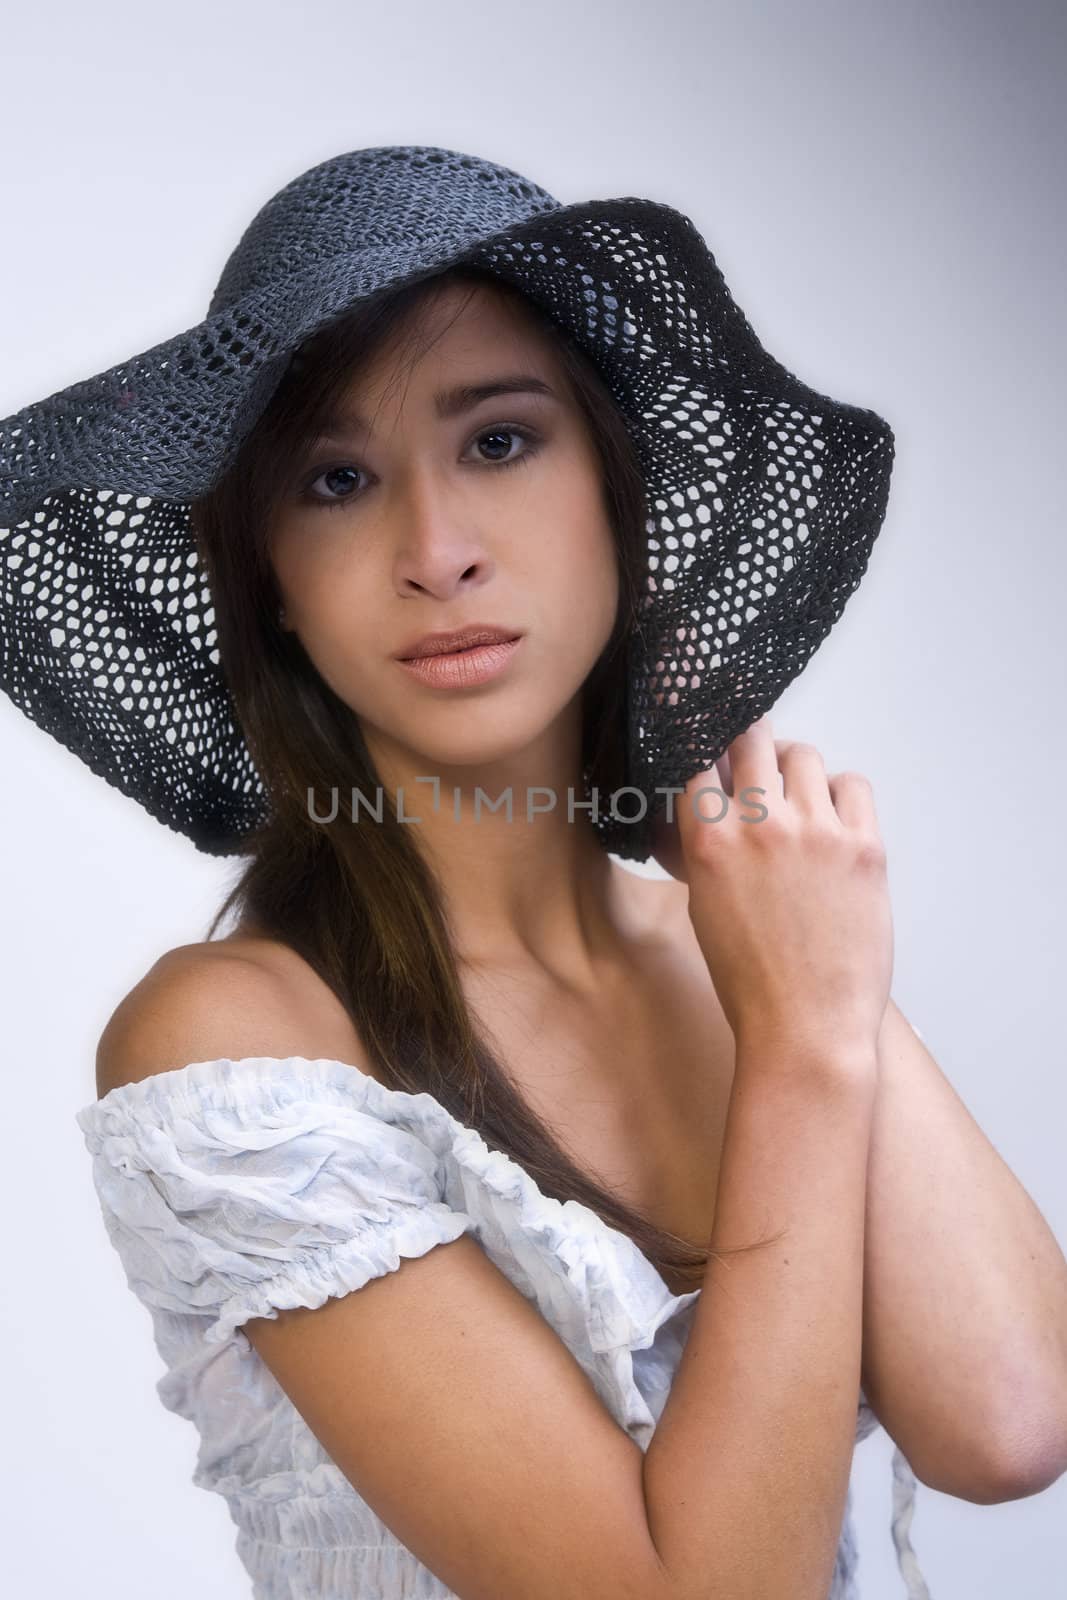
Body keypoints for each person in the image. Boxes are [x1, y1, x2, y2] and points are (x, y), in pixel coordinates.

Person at [1, 146, 942, 1598]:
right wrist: (809, 1053)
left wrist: (799, 964)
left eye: (499, 442)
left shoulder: (744, 953)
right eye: (336, 480)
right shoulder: (237, 1048)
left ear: (620, 498)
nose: (434, 552)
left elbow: (1007, 1418)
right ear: (273, 586)